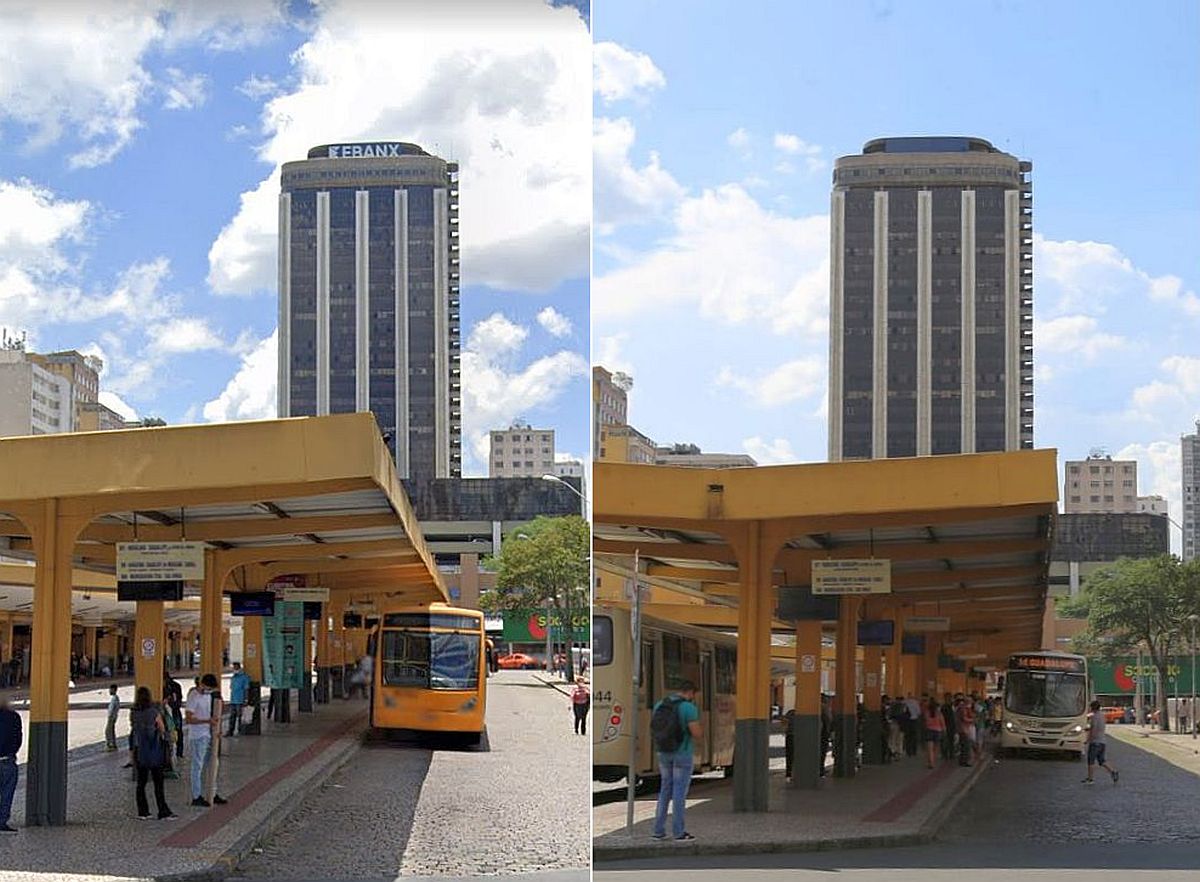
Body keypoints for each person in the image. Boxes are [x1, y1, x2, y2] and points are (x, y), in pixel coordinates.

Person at [650, 680, 701, 842]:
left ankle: (658, 831)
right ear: (691, 692)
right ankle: (679, 832)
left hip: (663, 752)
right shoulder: (688, 708)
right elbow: (696, 733)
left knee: (665, 790)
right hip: (682, 753)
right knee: (679, 792)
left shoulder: (660, 705)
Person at [129, 686, 175, 820]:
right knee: (158, 783)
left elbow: (133, 731)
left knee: (141, 784)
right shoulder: (154, 712)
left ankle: (143, 812)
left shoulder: (134, 713)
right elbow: (162, 730)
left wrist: (132, 753)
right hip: (155, 751)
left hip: (140, 751)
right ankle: (163, 811)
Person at [185, 673, 228, 807]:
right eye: (208, 688)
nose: (210, 691)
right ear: (202, 684)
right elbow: (189, 719)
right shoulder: (193, 696)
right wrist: (207, 721)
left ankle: (212, 793)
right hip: (197, 736)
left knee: (213, 764)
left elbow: (213, 714)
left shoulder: (208, 696)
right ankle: (196, 796)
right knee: (197, 766)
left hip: (208, 734)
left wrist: (216, 729)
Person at [1083, 699, 1119, 785]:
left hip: (1095, 742)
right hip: (1102, 741)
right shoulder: (1102, 716)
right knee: (1102, 760)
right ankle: (1113, 771)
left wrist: (1088, 740)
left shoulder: (1094, 716)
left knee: (1090, 761)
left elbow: (1093, 729)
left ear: (1093, 708)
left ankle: (1090, 779)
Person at [0, 693, 21, 833]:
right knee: (7, 792)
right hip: (7, 759)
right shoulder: (13, 717)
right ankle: (2, 821)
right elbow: (18, 738)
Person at [227, 662, 250, 737]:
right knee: (232, 716)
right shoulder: (233, 677)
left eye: (236, 668)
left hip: (240, 700)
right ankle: (230, 731)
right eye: (234, 668)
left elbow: (246, 689)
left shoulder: (245, 677)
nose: (235, 669)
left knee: (240, 716)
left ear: (239, 668)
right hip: (233, 699)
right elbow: (231, 688)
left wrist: (246, 699)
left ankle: (241, 731)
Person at [922, 697, 945, 769]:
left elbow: (926, 722)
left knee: (930, 748)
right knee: (936, 748)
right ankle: (933, 761)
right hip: (938, 731)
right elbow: (942, 722)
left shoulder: (927, 712)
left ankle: (931, 762)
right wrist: (944, 730)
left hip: (929, 730)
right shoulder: (938, 713)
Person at [955, 693, 976, 767]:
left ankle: (963, 760)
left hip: (963, 729)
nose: (970, 702)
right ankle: (964, 761)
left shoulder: (965, 708)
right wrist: (972, 720)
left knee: (964, 745)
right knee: (966, 746)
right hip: (964, 729)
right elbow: (964, 718)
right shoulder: (963, 708)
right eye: (969, 701)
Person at [104, 683, 120, 751]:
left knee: (108, 731)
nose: (109, 691)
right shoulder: (115, 698)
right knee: (111, 731)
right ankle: (113, 744)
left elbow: (113, 709)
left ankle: (110, 745)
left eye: (110, 690)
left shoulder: (115, 699)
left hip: (111, 717)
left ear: (114, 690)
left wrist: (110, 716)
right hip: (113, 717)